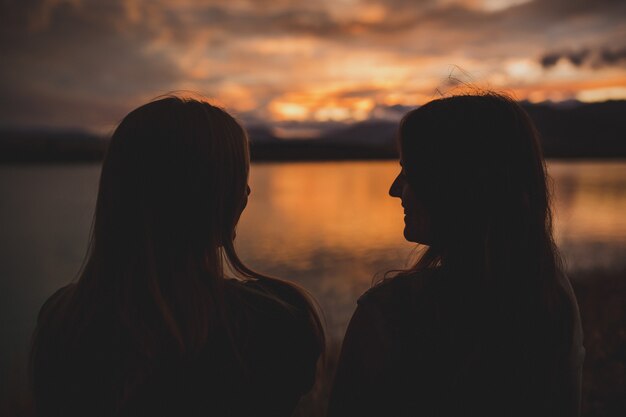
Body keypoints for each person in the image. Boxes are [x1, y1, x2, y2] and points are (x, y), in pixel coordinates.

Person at [30, 95, 324, 417]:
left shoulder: (61, 321)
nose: (247, 193)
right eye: (238, 179)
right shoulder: (273, 321)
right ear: (206, 196)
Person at [328, 93, 584, 417]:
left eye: (408, 171)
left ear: (449, 182)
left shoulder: (389, 314)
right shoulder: (552, 297)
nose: (394, 189)